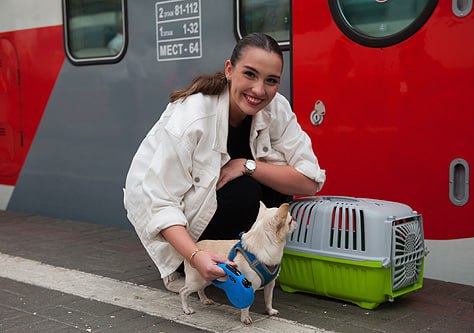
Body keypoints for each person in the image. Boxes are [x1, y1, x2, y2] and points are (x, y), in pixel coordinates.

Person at [123, 33, 325, 291]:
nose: (259, 90)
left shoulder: (277, 109)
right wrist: (195, 256)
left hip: (216, 198)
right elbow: (159, 203)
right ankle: (186, 264)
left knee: (275, 188)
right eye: (250, 74)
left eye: (271, 81)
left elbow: (309, 181)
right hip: (168, 205)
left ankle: (240, 261)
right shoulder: (192, 117)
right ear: (229, 70)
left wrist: (246, 165)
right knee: (246, 193)